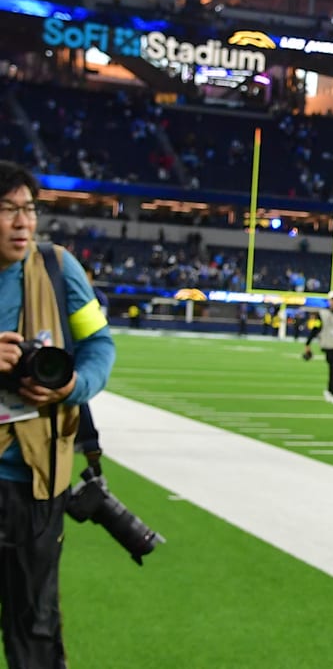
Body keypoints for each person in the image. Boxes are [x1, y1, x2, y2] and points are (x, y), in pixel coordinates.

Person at [0, 160, 116, 667]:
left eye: (28, 209)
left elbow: (99, 343)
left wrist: (74, 385)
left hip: (36, 482)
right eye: (7, 210)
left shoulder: (58, 268)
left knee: (37, 629)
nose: (22, 222)